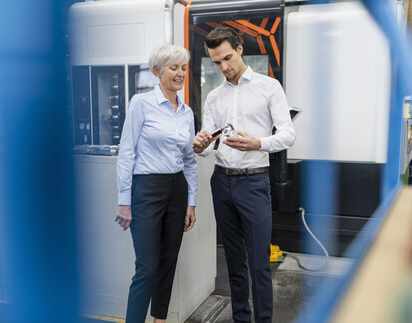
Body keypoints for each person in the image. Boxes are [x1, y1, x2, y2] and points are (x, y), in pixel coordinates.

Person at [192, 26, 295, 323]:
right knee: (233, 261)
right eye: (216, 62)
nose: (224, 67)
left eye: (227, 58)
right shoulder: (213, 97)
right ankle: (241, 319)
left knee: (260, 263)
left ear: (239, 49)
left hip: (254, 181)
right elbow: (208, 148)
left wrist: (258, 143)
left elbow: (288, 136)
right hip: (222, 182)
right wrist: (200, 145)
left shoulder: (269, 87)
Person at [115, 44, 197, 323]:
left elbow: (189, 160)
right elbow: (126, 151)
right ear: (157, 71)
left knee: (167, 262)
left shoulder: (186, 112)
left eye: (183, 68)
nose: (180, 73)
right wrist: (124, 200)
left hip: (177, 188)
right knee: (147, 267)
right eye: (173, 67)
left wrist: (191, 202)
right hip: (146, 189)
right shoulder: (141, 103)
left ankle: (159, 320)